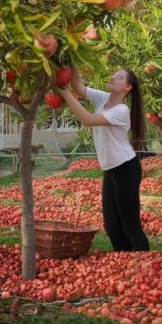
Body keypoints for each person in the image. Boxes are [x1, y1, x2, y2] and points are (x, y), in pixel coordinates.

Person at [55, 67, 150, 252]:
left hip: (126, 170)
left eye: (119, 77)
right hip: (111, 170)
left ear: (127, 87)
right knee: (112, 227)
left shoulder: (121, 110)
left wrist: (66, 95)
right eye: (114, 74)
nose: (113, 77)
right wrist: (71, 61)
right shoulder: (103, 98)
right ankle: (123, 260)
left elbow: (88, 119)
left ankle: (143, 261)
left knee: (130, 226)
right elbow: (80, 88)